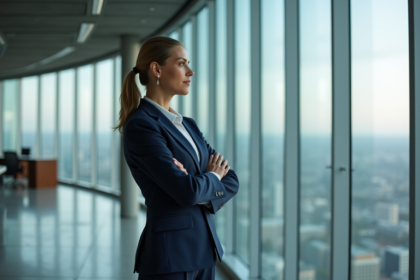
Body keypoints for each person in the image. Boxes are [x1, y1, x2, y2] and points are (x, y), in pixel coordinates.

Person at [114, 36, 240, 280]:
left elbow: (231, 179)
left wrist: (197, 184)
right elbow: (187, 191)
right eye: (182, 63)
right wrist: (211, 177)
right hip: (171, 256)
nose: (190, 71)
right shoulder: (142, 125)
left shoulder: (188, 125)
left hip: (206, 251)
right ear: (156, 69)